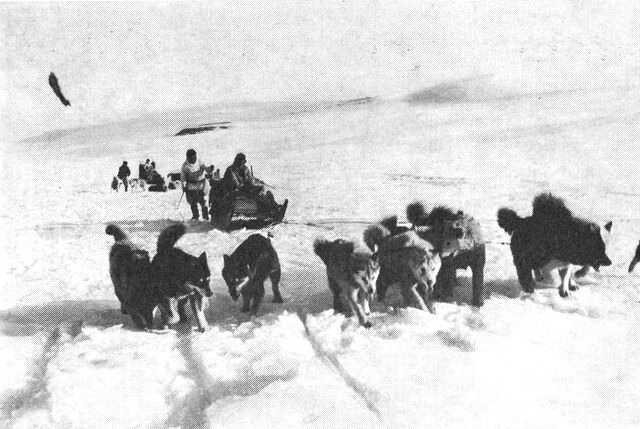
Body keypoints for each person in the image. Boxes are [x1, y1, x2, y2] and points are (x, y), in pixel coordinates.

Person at [181, 149, 214, 220]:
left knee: (203, 201)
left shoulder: (200, 161)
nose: (193, 158)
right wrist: (183, 186)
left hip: (201, 184)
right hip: (191, 185)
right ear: (188, 157)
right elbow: (183, 178)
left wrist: (210, 169)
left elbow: (206, 169)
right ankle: (195, 216)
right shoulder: (185, 166)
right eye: (191, 157)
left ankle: (205, 217)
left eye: (194, 156)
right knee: (193, 201)